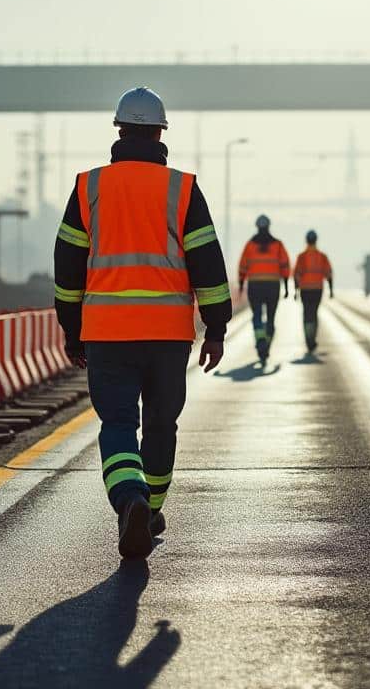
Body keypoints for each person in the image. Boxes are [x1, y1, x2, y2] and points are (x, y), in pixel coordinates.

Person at [53, 86, 232, 560]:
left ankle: (129, 500)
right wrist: (215, 328)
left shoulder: (89, 187)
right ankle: (149, 510)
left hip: (107, 332)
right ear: (160, 133)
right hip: (169, 336)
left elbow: (68, 265)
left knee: (116, 423)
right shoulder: (182, 189)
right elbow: (207, 263)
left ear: (119, 131)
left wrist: (71, 329)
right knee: (160, 425)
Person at [236, 215, 289, 363]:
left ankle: (260, 341)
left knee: (257, 315)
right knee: (271, 318)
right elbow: (285, 266)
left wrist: (241, 284)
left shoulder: (250, 245)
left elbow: (243, 266)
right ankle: (266, 344)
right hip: (273, 286)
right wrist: (286, 287)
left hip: (255, 285)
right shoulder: (278, 245)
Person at [293, 230, 333, 352]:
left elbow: (297, 275)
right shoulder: (322, 257)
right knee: (314, 314)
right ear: (316, 240)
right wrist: (331, 290)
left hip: (305, 290)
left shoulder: (302, 257)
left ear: (306, 240)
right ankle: (312, 340)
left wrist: (296, 290)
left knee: (306, 314)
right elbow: (329, 274)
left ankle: (308, 340)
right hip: (317, 290)